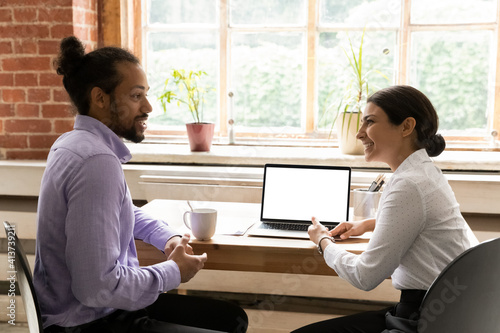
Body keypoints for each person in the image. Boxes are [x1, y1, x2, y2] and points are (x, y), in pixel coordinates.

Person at [34, 36, 248, 333]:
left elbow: (121, 212)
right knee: (231, 324)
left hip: (84, 312)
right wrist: (174, 272)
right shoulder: (96, 161)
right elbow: (97, 288)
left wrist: (167, 236)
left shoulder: (72, 144)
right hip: (90, 322)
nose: (148, 106)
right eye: (136, 96)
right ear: (100, 99)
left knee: (231, 318)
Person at [293, 85, 478, 333]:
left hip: (424, 320)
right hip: (449, 312)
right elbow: (425, 222)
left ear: (406, 126)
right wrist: (369, 224)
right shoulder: (423, 171)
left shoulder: (408, 184)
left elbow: (364, 277)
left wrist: (323, 241)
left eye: (369, 122)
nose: (359, 134)